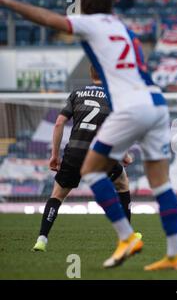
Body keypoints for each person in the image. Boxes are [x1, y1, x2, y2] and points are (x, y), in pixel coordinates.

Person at [0, 0, 177, 270]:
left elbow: (46, 19)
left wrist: (7, 2)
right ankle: (175, 254)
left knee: (90, 170)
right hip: (156, 103)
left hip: (130, 105)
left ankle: (126, 237)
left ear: (85, 7)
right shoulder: (123, 27)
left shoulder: (92, 23)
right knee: (160, 183)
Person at [32, 66, 136, 252]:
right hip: (99, 155)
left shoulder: (77, 94)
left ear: (90, 74)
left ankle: (42, 239)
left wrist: (55, 155)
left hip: (74, 154)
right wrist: (125, 155)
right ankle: (127, 237)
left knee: (57, 196)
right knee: (122, 183)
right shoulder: (114, 98)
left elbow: (59, 123)